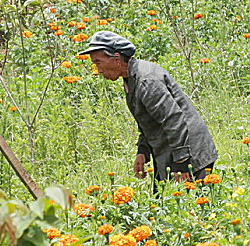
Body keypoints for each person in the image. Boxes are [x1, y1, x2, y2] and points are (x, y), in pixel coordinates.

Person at [79, 31, 217, 190]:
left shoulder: (146, 80)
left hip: (190, 153)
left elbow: (174, 119)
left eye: (98, 62)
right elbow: (149, 120)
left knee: (193, 208)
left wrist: (182, 164)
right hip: (171, 151)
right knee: (162, 206)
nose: (97, 69)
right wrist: (142, 152)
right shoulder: (131, 78)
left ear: (116, 59)